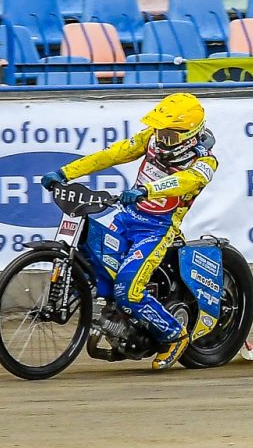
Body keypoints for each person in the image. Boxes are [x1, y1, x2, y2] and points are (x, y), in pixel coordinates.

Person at [40, 94, 219, 370]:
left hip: (157, 230)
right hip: (125, 219)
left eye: (169, 135)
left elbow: (183, 181)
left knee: (127, 291)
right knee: (96, 265)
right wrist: (65, 172)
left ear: (190, 137)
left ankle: (175, 334)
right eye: (159, 130)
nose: (161, 139)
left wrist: (146, 191)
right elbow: (111, 154)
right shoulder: (150, 139)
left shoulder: (205, 163)